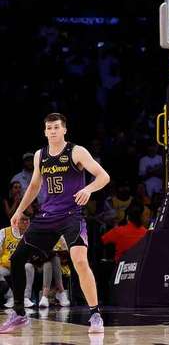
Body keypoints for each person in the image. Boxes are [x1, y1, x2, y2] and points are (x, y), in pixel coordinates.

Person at [1, 113, 110, 334]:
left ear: (64, 130)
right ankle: (20, 314)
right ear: (44, 131)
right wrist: (19, 211)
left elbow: (103, 177)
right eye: (49, 128)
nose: (52, 131)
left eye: (56, 127)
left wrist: (88, 189)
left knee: (79, 261)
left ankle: (95, 314)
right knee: (17, 258)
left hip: (71, 216)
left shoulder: (76, 151)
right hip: (47, 216)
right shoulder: (40, 155)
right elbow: (33, 187)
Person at [0, 213, 36, 309]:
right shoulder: (4, 232)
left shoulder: (31, 235)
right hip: (5, 266)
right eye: (23, 219)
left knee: (29, 267)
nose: (25, 222)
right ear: (16, 220)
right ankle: (11, 297)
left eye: (27, 220)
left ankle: (25, 297)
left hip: (22, 266)